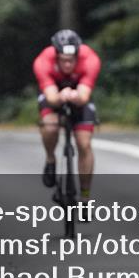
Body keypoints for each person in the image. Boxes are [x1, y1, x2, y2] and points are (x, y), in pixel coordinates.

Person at [32, 29, 101, 204]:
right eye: (63, 60)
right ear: (56, 55)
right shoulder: (43, 61)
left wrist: (75, 96)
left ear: (78, 54)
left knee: (84, 143)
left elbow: (84, 97)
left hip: (78, 95)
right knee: (49, 125)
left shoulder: (90, 60)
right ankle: (50, 158)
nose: (68, 65)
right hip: (53, 93)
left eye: (71, 60)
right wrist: (61, 96)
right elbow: (51, 98)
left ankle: (85, 196)